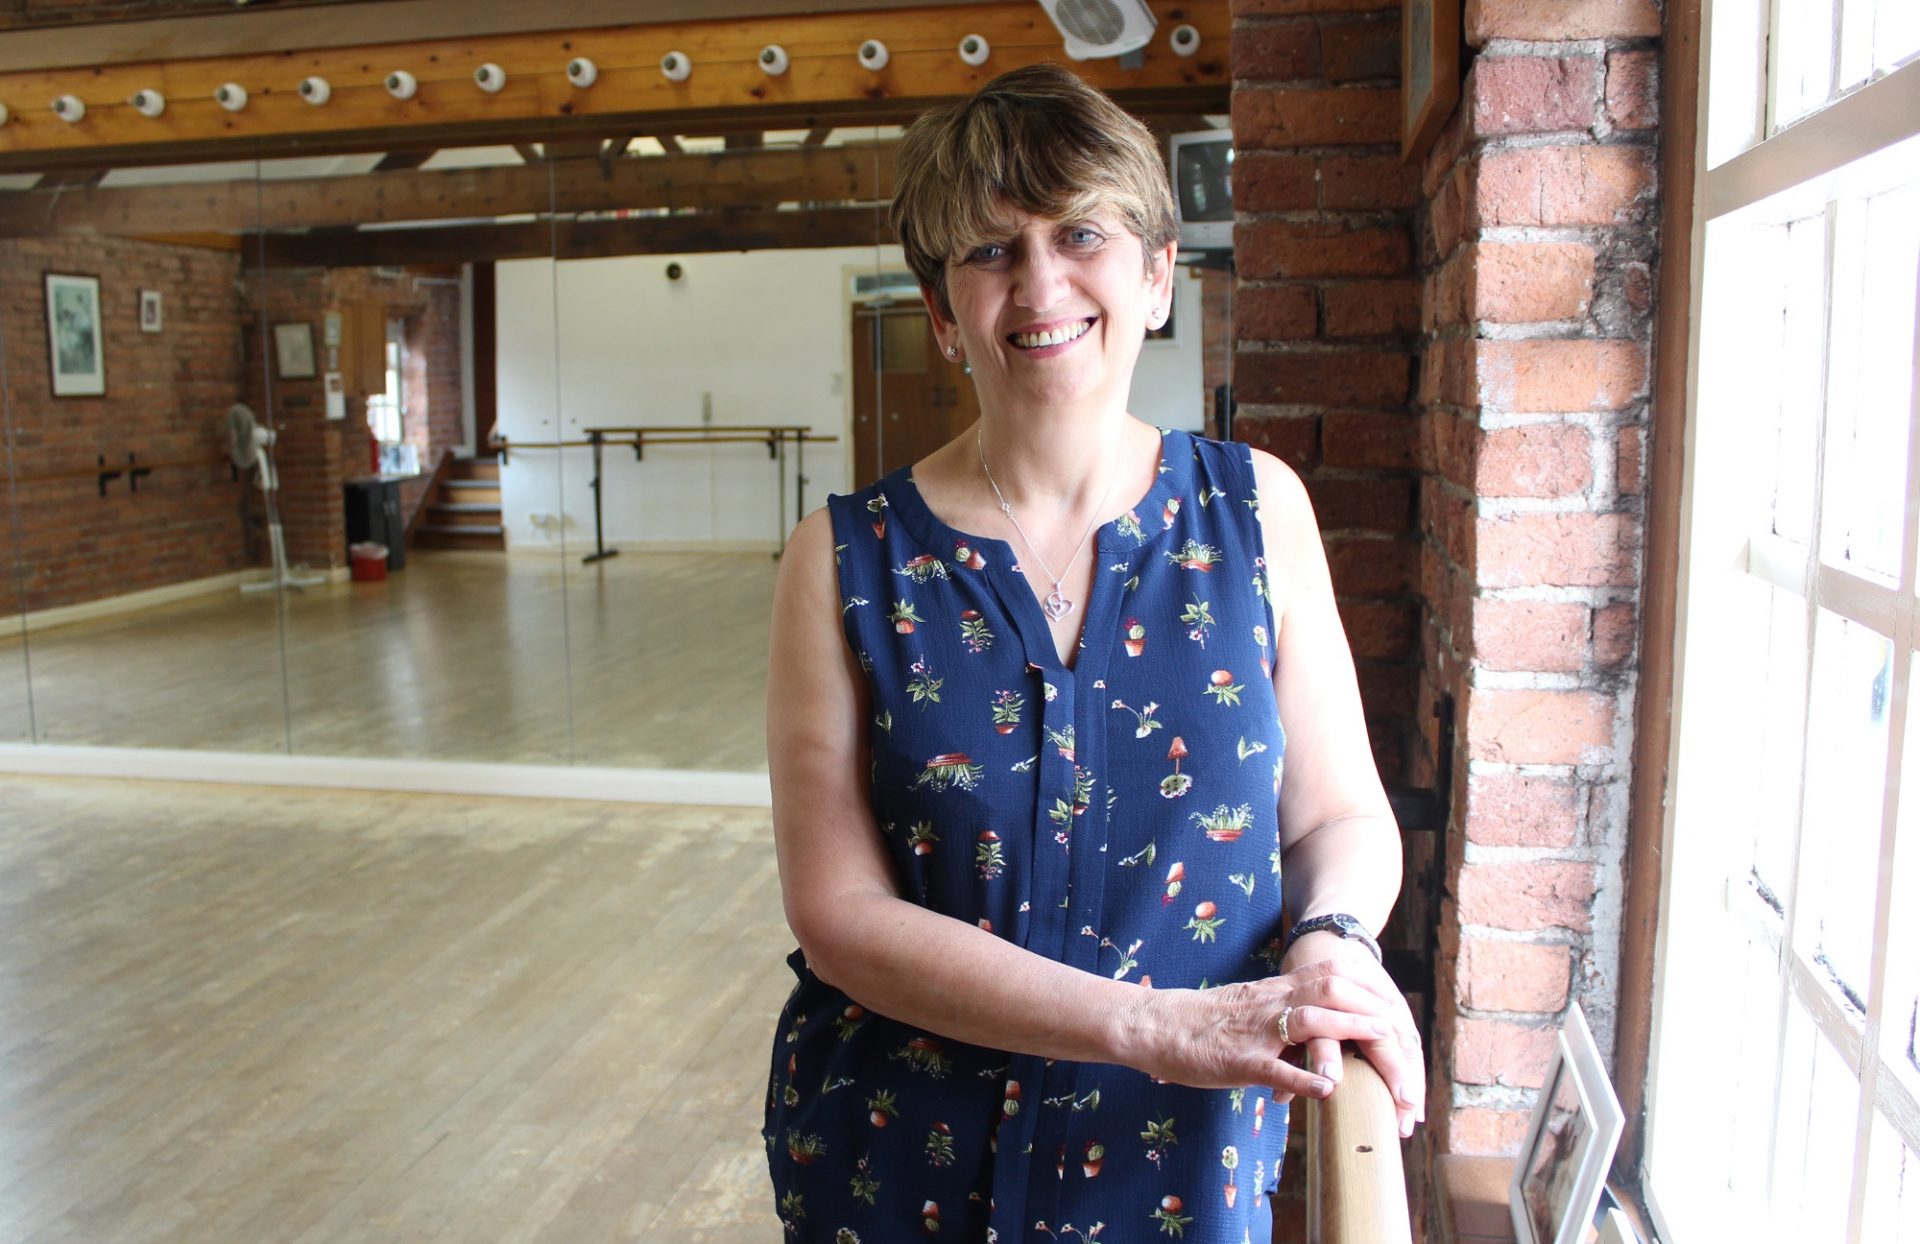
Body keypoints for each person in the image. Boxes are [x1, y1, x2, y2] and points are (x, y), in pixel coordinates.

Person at [762, 63, 1423, 1242]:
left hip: (1173, 1154)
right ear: (940, 304)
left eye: (1081, 234)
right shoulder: (840, 559)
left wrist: (1333, 940)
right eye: (989, 250)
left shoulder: (1257, 511)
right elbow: (839, 911)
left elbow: (1338, 818)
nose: (1039, 283)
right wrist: (1156, 1023)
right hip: (903, 1163)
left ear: (1158, 274)